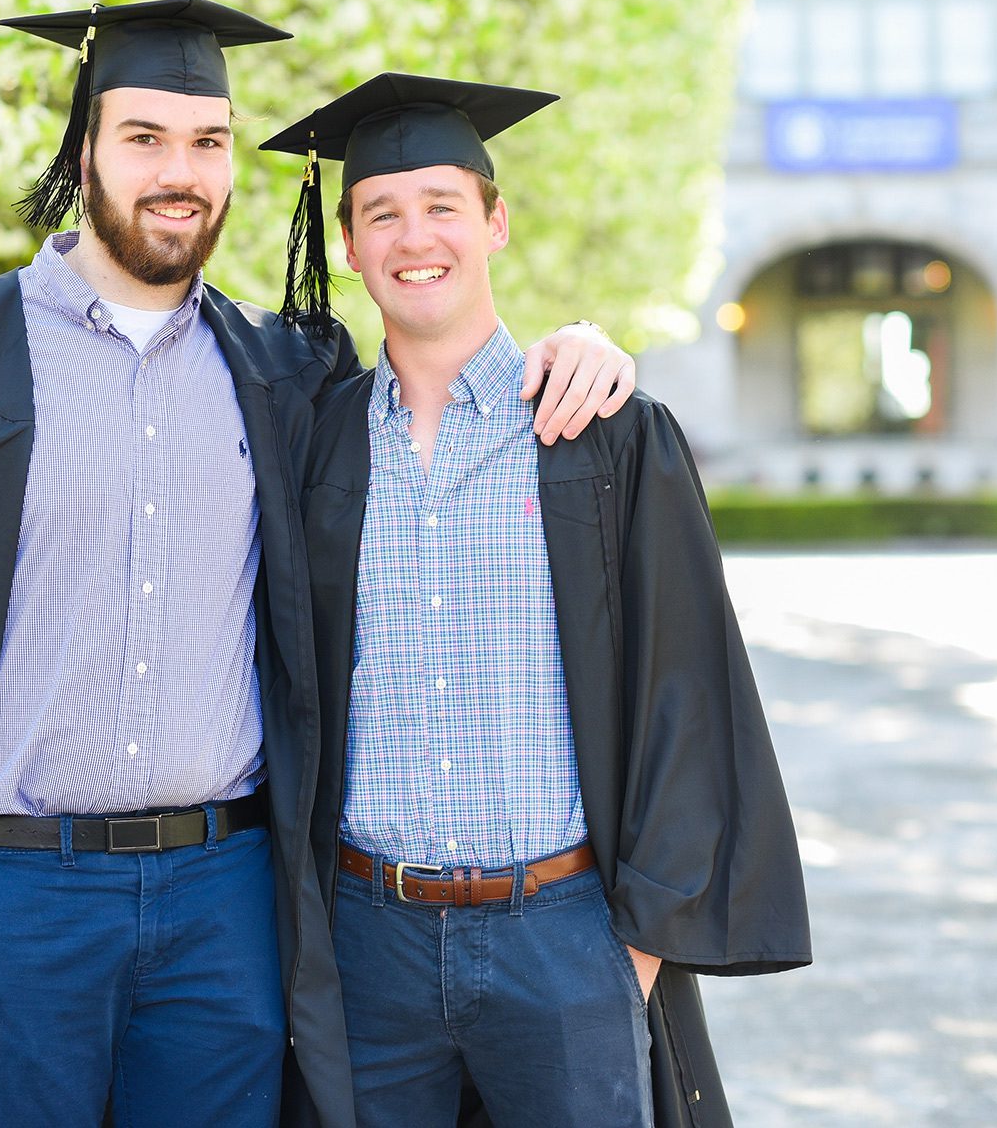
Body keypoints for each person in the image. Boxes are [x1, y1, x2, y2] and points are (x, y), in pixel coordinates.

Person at [0, 2, 637, 1128]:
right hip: (16, 894)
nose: (182, 171)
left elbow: (434, 388)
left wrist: (578, 348)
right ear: (82, 154)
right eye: (145, 137)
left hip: (224, 900)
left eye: (208, 142)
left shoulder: (284, 373)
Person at [266, 74, 811, 1128]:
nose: (412, 236)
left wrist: (635, 950)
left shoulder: (602, 435)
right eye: (380, 212)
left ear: (494, 223)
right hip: (365, 936)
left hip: (559, 933)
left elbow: (680, 690)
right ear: (345, 242)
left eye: (441, 206)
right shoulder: (309, 440)